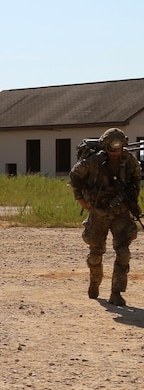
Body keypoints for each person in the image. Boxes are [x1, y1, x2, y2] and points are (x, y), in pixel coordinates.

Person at [70, 128, 142, 306]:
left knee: (123, 253)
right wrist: (81, 200)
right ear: (104, 145)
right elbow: (74, 176)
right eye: (111, 146)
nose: (115, 150)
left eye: (118, 146)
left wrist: (130, 199)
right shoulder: (93, 162)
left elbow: (136, 180)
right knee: (95, 254)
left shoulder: (129, 161)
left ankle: (116, 293)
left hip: (121, 214)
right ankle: (95, 282)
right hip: (99, 212)